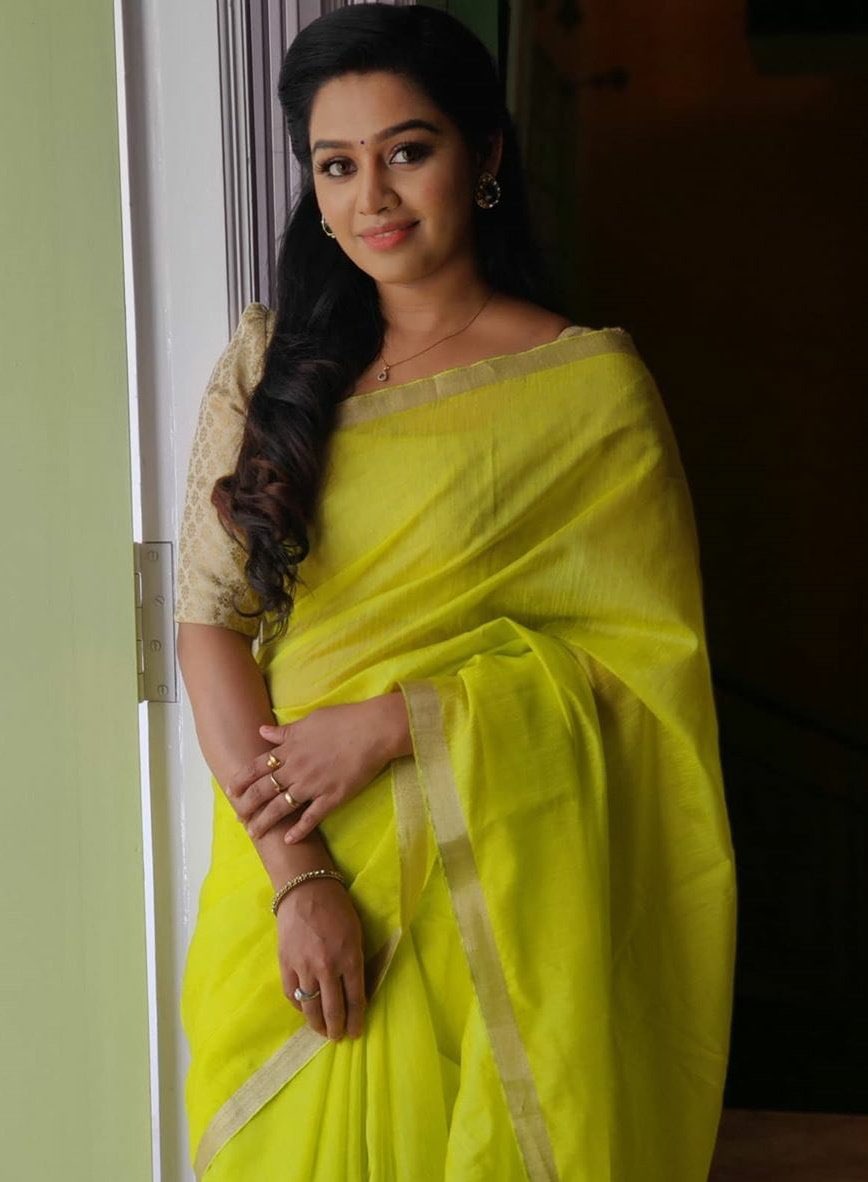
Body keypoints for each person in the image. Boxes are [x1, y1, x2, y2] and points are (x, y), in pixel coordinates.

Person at [175, 5, 737, 1180]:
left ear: (482, 156)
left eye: (406, 151)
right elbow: (209, 623)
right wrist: (299, 880)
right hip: (294, 867)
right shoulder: (270, 369)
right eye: (337, 165)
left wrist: (397, 724)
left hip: (494, 880)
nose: (371, 196)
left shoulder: (586, 394)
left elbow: (637, 677)